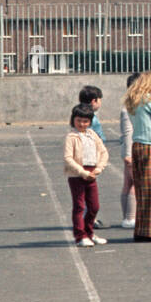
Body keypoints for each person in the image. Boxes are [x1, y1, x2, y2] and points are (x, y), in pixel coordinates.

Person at [124, 72, 151, 242]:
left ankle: (140, 230)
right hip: (150, 144)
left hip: (137, 144)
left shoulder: (131, 99)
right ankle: (150, 231)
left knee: (141, 189)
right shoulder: (148, 99)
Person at [64, 103, 109, 247]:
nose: (82, 124)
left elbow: (103, 152)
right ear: (73, 120)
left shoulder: (92, 134)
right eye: (79, 120)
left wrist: (99, 168)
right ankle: (80, 236)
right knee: (79, 206)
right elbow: (68, 158)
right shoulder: (71, 137)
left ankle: (89, 233)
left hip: (92, 174)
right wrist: (82, 172)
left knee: (94, 206)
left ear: (90, 122)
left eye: (85, 121)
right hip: (77, 175)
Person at [115, 74, 138, 230]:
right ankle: (130, 218)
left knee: (128, 183)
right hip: (131, 149)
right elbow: (129, 132)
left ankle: (127, 217)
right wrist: (129, 154)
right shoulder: (131, 107)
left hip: (128, 149)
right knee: (133, 184)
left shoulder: (128, 105)